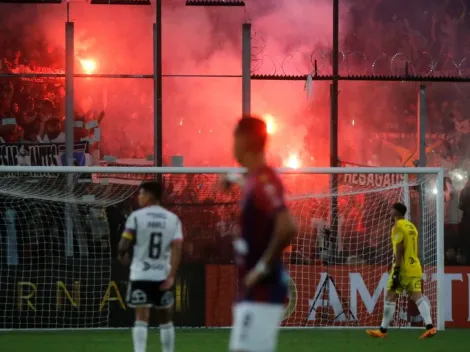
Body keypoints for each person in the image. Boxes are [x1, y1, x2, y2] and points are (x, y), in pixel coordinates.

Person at [223, 116, 297, 352]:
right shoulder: (255, 180)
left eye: (234, 138)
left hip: (264, 286)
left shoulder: (265, 179)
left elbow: (288, 227)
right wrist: (234, 179)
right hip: (255, 288)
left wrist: (262, 267)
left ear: (245, 140)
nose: (231, 145)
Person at [118, 181, 183, 352]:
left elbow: (124, 243)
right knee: (165, 319)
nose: (138, 197)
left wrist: (122, 254)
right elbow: (177, 249)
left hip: (140, 274)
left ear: (149, 195)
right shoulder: (172, 219)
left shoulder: (136, 217)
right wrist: (171, 275)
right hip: (162, 274)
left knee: (141, 317)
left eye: (141, 193)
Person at [366, 202, 436, 339]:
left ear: (396, 212)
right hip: (415, 266)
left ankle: (383, 330)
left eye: (392, 210)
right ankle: (430, 327)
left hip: (403, 268)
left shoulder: (397, 227)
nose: (390, 212)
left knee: (390, 296)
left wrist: (397, 270)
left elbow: (400, 249)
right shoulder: (411, 226)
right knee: (417, 296)